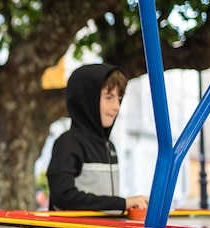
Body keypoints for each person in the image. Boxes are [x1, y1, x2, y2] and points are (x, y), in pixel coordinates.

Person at [46, 63, 148, 212]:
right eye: (109, 97)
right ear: (87, 99)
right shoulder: (68, 143)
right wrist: (123, 203)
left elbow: (104, 204)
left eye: (119, 99)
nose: (116, 107)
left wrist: (126, 206)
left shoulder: (109, 147)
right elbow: (63, 197)